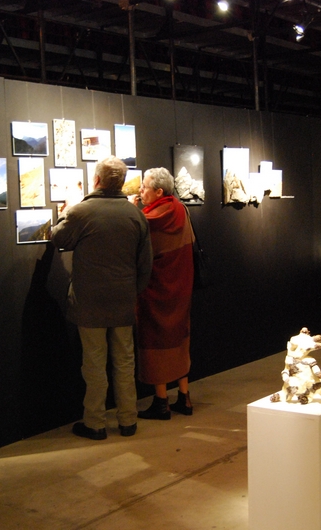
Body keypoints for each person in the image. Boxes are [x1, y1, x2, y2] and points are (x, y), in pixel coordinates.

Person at [50, 156, 153, 440]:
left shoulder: (82, 211)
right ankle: (128, 420)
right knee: (125, 362)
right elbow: (145, 263)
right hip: (123, 302)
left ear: (96, 180)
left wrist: (66, 210)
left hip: (89, 303)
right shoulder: (135, 215)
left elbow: (58, 238)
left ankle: (95, 423)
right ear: (121, 182)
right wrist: (133, 291)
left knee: (94, 365)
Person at [132, 168, 195, 419]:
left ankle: (161, 402)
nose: (140, 190)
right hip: (181, 288)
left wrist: (133, 211)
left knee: (156, 342)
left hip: (156, 291)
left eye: (144, 186)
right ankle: (184, 397)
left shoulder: (147, 219)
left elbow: (139, 251)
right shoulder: (181, 209)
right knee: (179, 340)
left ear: (159, 192)